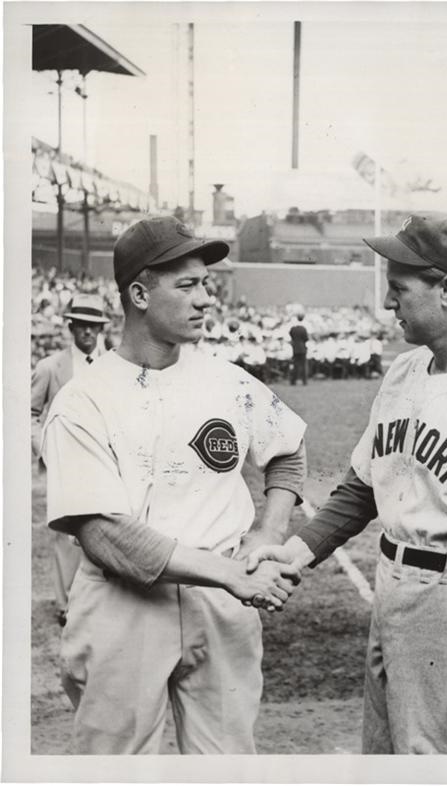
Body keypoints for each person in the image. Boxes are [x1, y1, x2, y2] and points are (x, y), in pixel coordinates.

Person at [247, 211, 447, 755]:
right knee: (386, 760)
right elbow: (363, 488)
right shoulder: (403, 372)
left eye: (398, 288)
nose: (388, 302)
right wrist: (294, 553)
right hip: (393, 595)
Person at [41, 216, 306, 755]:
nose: (205, 298)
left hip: (223, 601)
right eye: (186, 285)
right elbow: (105, 535)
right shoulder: (83, 400)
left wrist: (269, 530)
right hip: (125, 603)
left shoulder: (226, 380)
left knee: (226, 762)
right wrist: (232, 574)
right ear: (138, 293)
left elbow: (289, 451)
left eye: (206, 284)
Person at [31, 293, 110, 626]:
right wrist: (46, 445)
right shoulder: (51, 367)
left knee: (104, 528)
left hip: (105, 460)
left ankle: (97, 599)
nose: (88, 334)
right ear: (71, 328)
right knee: (66, 533)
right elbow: (29, 413)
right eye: (81, 327)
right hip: (66, 462)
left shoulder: (115, 365)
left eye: (94, 327)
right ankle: (66, 605)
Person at [289, 312, 309, 385]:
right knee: (303, 366)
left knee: (295, 365)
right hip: (302, 348)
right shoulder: (303, 329)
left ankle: (293, 381)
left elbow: (291, 336)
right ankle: (304, 381)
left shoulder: (293, 329)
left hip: (295, 348)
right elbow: (306, 338)